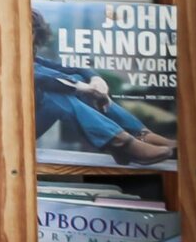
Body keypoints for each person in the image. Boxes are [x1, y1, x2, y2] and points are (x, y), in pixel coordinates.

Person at [29, 9, 176, 165]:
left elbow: (75, 69)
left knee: (76, 80)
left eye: (31, 30)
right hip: (12, 137)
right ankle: (120, 142)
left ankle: (139, 136)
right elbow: (40, 76)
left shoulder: (31, 58)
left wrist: (96, 79)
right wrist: (85, 88)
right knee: (55, 92)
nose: (26, 35)